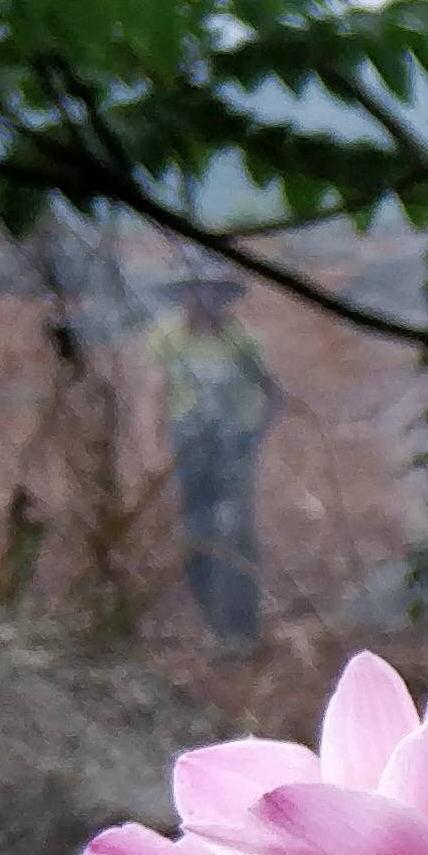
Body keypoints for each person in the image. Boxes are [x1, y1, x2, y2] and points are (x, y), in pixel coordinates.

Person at [147, 273, 280, 646]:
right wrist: (156, 445)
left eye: (213, 291)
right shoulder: (168, 339)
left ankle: (243, 629)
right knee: (196, 533)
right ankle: (212, 624)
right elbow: (156, 392)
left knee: (237, 535)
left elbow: (272, 392)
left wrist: (252, 437)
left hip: (233, 448)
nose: (204, 298)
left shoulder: (243, 341)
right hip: (188, 447)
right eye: (196, 289)